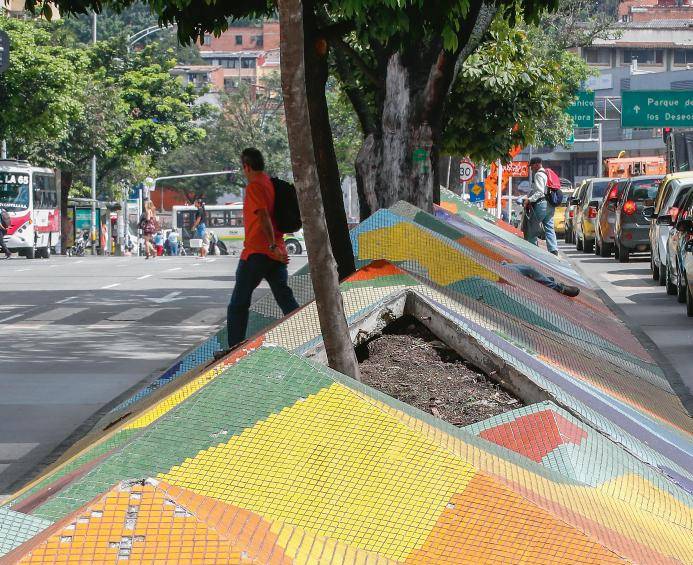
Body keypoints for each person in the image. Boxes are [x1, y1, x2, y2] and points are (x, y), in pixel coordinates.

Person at [226, 148, 300, 349]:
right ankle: (304, 332)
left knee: (238, 304)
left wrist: (271, 245)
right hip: (276, 253)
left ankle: (233, 347)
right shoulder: (269, 183)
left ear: (246, 166)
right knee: (285, 298)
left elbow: (264, 216)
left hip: (257, 252)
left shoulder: (255, 186)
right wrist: (277, 247)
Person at [524, 157, 558, 256]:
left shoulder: (538, 174)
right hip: (550, 204)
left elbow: (539, 192)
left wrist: (529, 199)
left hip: (541, 204)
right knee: (549, 228)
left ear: (537, 164)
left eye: (532, 166)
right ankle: (553, 250)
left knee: (532, 228)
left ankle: (533, 251)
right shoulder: (547, 173)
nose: (531, 169)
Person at [502, 261, 580, 297]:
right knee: (528, 269)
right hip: (505, 270)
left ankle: (548, 281)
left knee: (528, 269)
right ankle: (555, 286)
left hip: (504, 267)